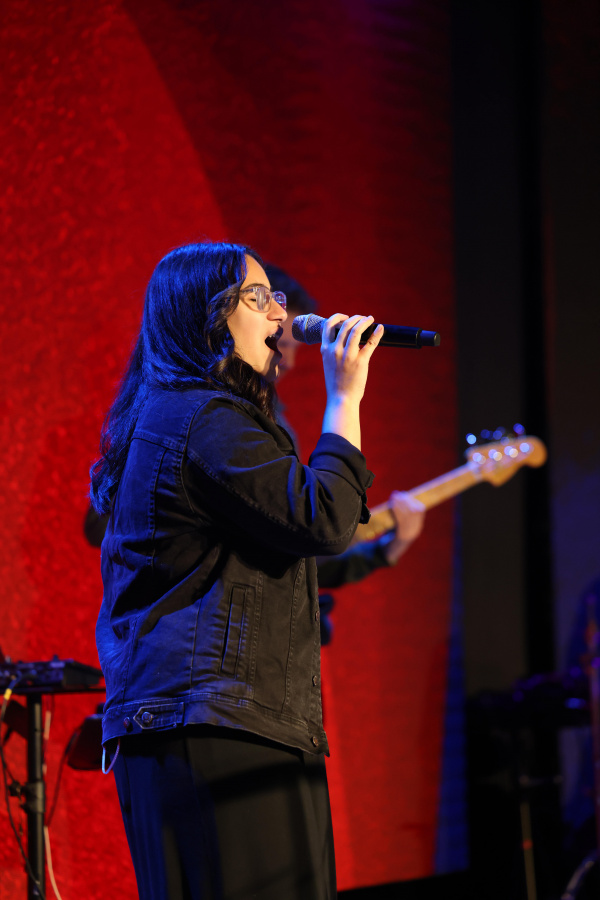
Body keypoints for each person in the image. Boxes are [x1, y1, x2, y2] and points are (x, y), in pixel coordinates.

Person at [91, 241, 383, 900]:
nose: (281, 314)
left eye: (276, 296)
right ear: (207, 317)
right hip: (215, 724)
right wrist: (345, 398)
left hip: (221, 718)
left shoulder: (187, 414)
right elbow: (323, 519)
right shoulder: (202, 418)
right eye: (258, 298)